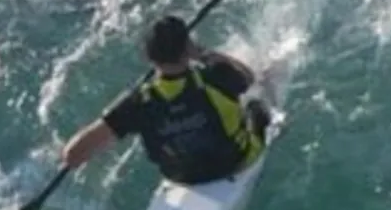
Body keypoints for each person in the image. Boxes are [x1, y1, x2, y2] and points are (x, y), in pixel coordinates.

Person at [60, 15, 272, 184]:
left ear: (148, 57)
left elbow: (72, 155)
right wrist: (203, 54)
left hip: (182, 176)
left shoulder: (138, 102)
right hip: (235, 162)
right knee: (256, 101)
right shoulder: (214, 75)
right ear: (188, 49)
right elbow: (247, 76)